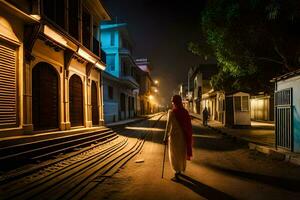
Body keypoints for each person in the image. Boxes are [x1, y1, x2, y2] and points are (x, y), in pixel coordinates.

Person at [164, 95, 193, 181]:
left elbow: (168, 126)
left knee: (174, 155)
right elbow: (189, 126)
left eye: (173, 102)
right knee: (181, 154)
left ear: (174, 102)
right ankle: (180, 169)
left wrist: (165, 137)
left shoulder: (171, 113)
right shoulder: (185, 112)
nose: (172, 103)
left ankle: (177, 172)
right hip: (183, 137)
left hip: (174, 138)